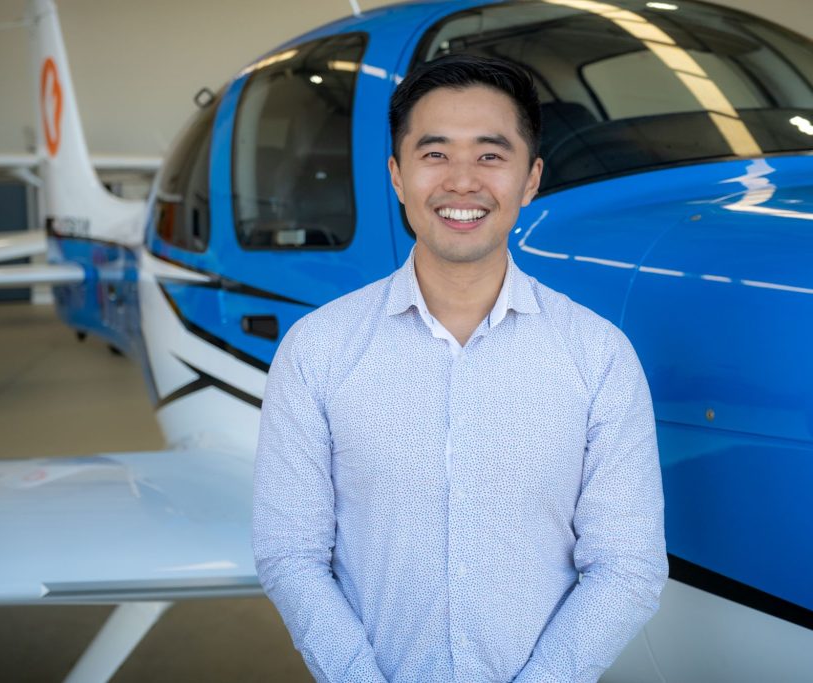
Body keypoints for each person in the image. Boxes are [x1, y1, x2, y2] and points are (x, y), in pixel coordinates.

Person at [252, 54, 667, 683]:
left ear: (530, 179)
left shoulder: (599, 357)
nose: (462, 182)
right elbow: (292, 554)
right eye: (435, 153)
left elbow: (628, 566)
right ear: (397, 175)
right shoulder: (318, 350)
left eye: (491, 155)